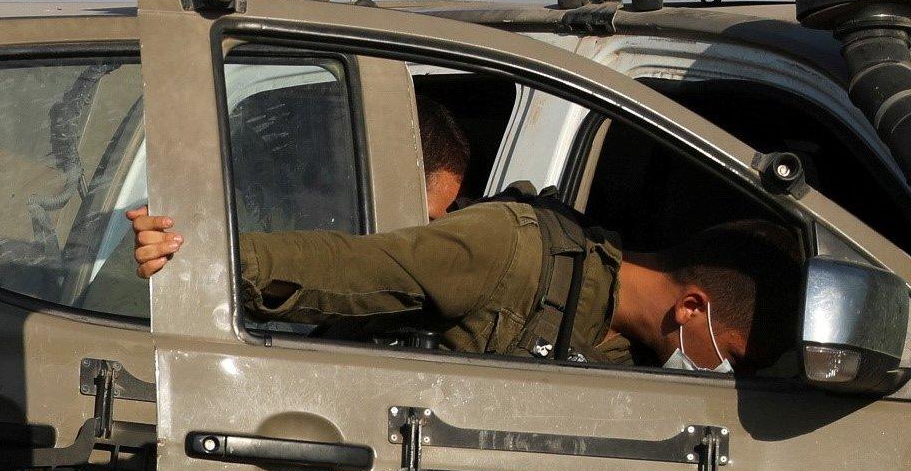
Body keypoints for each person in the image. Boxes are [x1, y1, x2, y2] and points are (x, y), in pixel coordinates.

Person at [128, 131, 804, 372]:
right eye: (733, 359)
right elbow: (345, 269)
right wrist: (199, 257)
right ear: (692, 307)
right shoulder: (509, 251)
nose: (728, 380)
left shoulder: (626, 357)